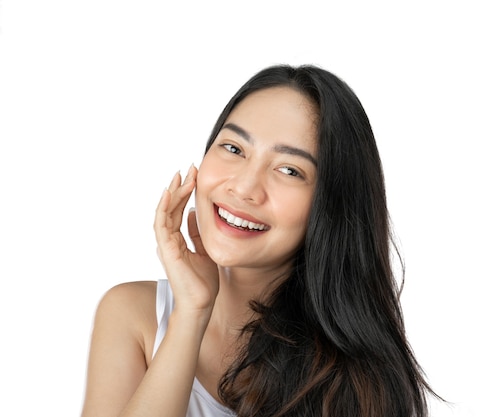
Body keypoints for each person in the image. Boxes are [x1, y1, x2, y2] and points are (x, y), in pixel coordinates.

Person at [81, 64, 439, 417]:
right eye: (234, 148)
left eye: (289, 170)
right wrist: (192, 313)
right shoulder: (133, 315)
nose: (244, 188)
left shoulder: (357, 377)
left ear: (329, 205)